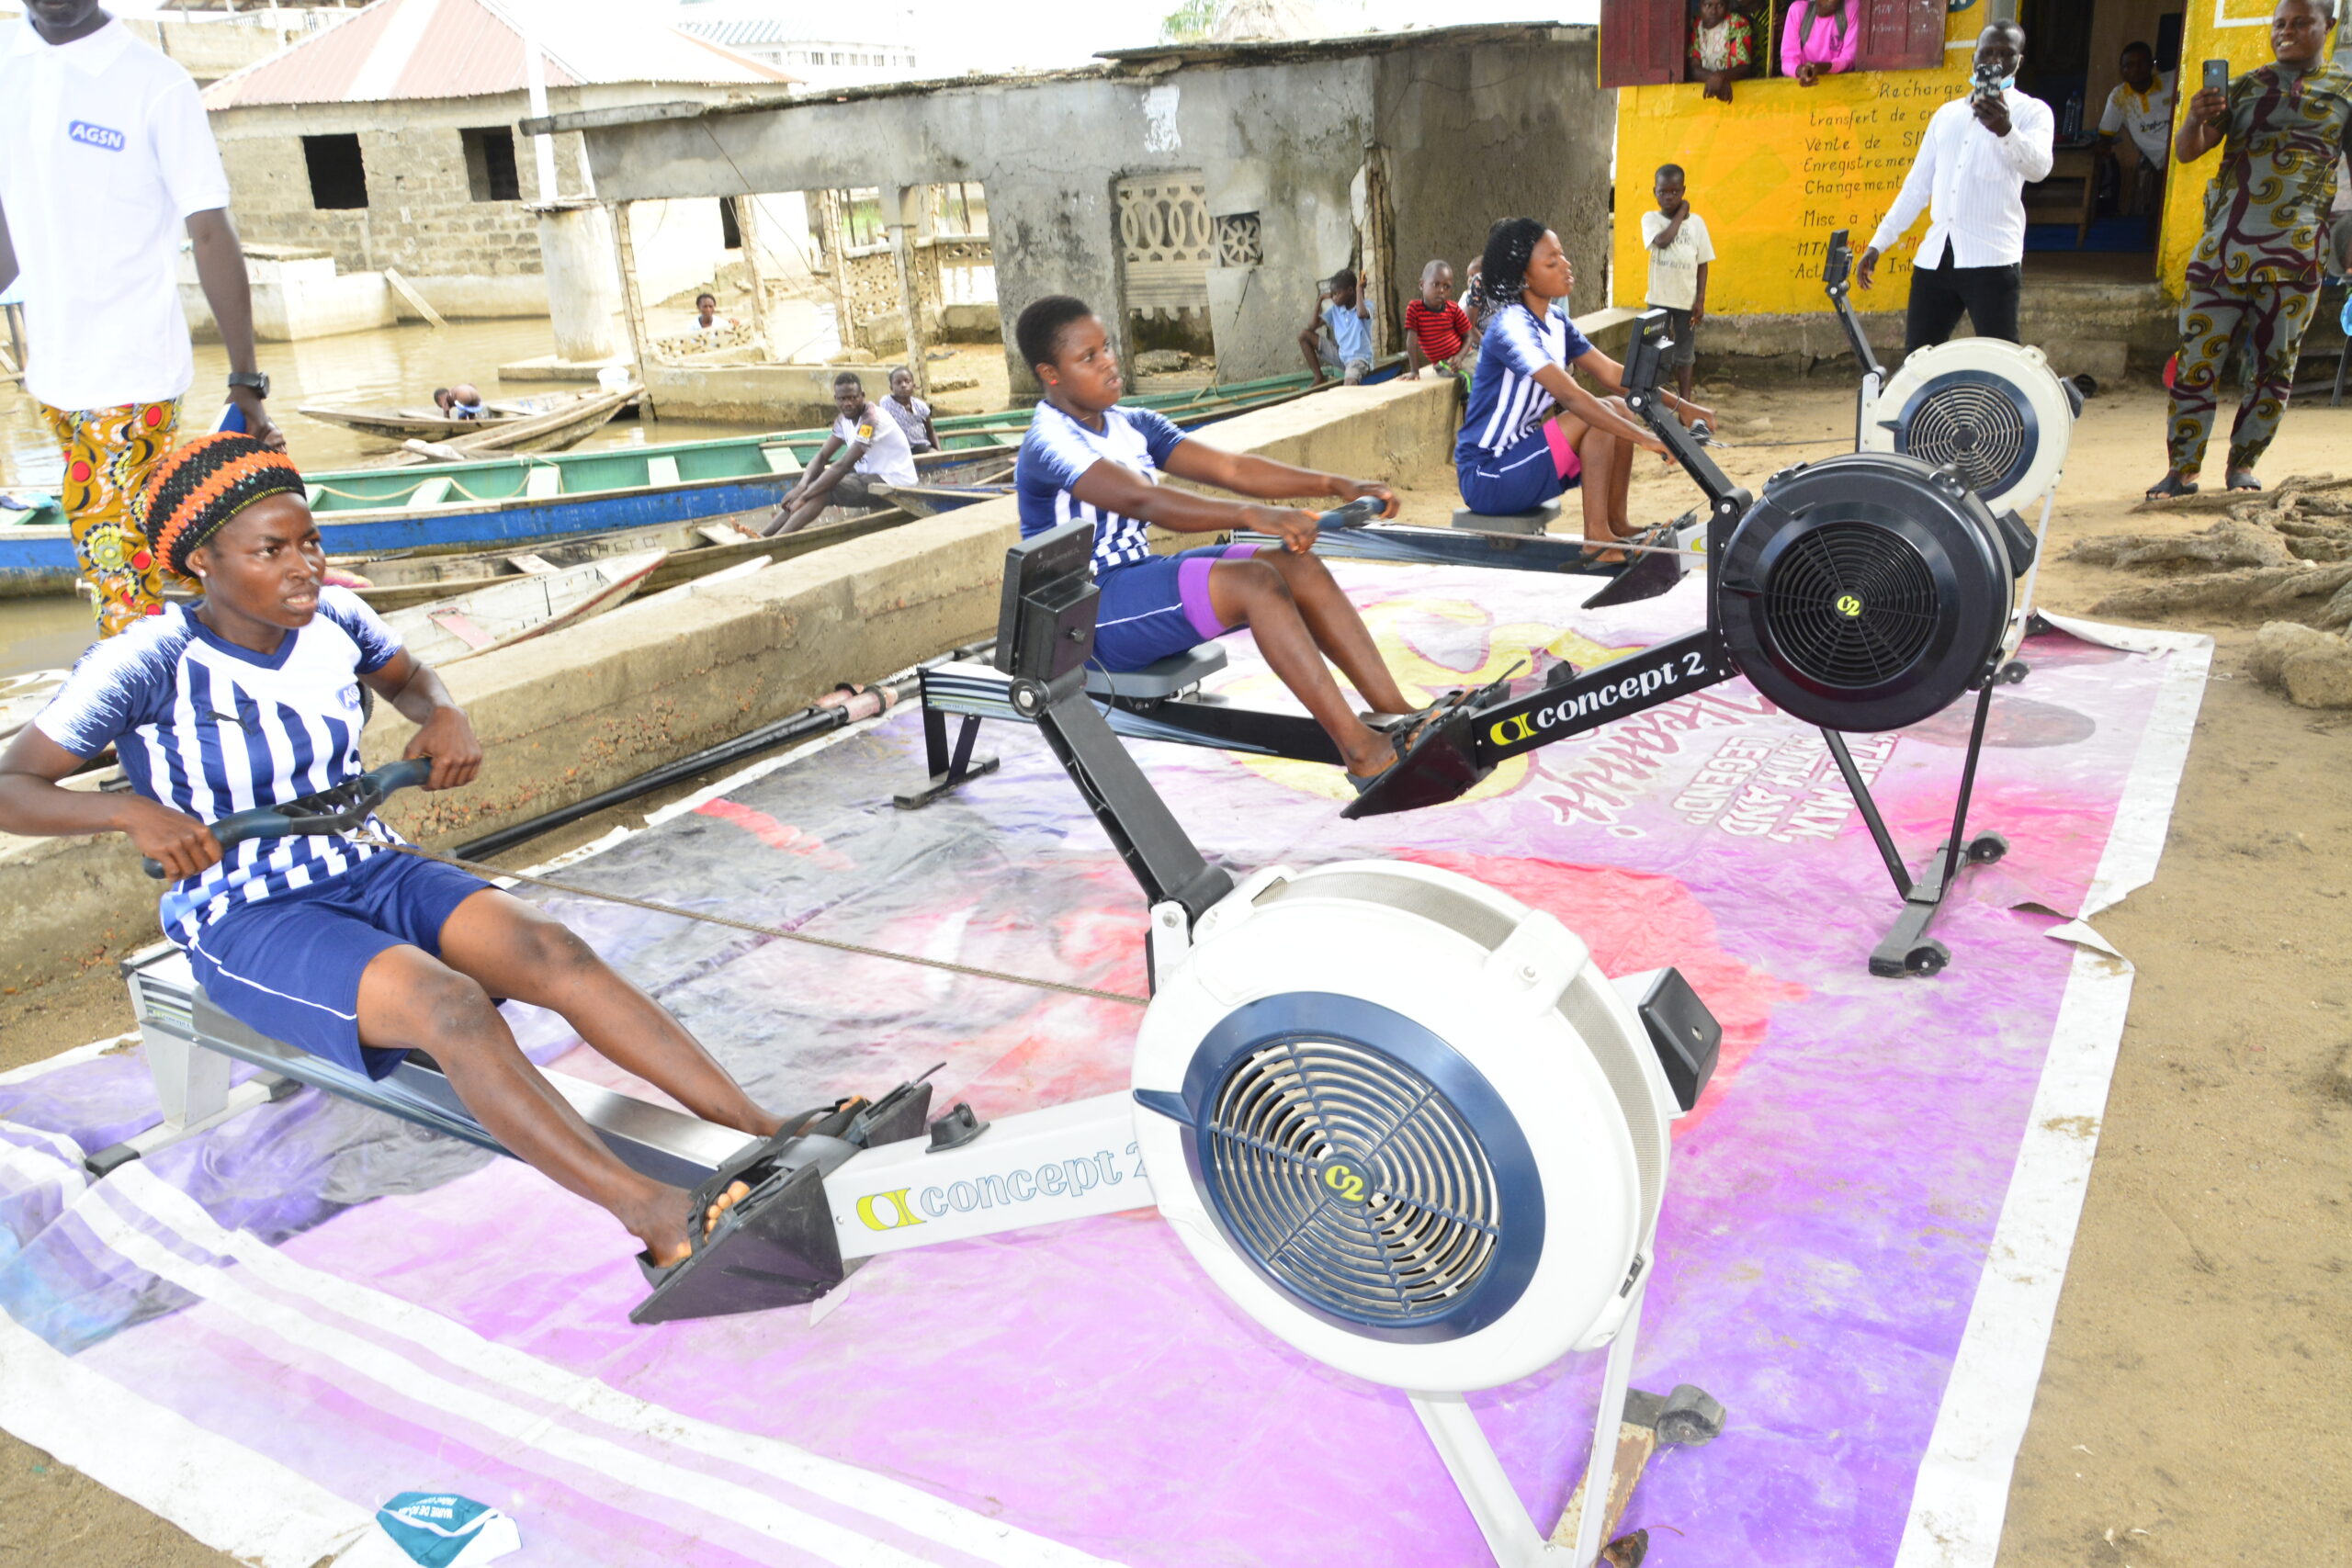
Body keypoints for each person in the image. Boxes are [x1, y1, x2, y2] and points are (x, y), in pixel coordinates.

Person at [0, 434, 797, 1271]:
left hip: (368, 862)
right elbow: (13, 785)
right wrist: (129, 812)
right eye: (271, 551)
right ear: (203, 559)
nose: (304, 568)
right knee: (450, 1007)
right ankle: (654, 1213)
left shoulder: (338, 621)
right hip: (245, 909)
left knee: (552, 949)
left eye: (310, 542)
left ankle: (758, 1128)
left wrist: (445, 713)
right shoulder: (147, 659)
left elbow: (414, 681)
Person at [1013, 294, 1439, 793]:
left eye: (1106, 347)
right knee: (1255, 583)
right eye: (1088, 357)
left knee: (1295, 564)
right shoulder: (1049, 441)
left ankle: (1396, 714)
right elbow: (1144, 501)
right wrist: (1252, 514)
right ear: (1051, 374)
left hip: (1129, 580)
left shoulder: (1132, 424)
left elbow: (1232, 468)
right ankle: (1362, 752)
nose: (1108, 362)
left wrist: (1337, 483)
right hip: (1079, 624)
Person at [0, 0, 283, 638]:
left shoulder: (155, 84)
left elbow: (209, 230)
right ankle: (251, 620)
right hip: (52, 372)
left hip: (129, 374)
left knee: (115, 574)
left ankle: (142, 688)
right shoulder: (8, 64)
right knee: (136, 546)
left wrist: (246, 379)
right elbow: (12, 214)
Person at [2148, 0, 2352, 499]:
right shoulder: (2242, 87)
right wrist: (2194, 118)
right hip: (2220, 251)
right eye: (2279, 24)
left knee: (2272, 370)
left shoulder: (2345, 93)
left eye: (2300, 23)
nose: (2286, 32)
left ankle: (2242, 466)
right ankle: (2181, 470)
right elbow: (2188, 151)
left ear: (2329, 26)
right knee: (2195, 363)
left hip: (2296, 256)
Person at [1455, 219, 1709, 559]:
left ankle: (1616, 525)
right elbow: (1571, 396)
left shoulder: (1555, 320)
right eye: (1552, 262)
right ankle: (1597, 540)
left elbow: (1612, 373)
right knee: (1597, 413)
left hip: (1524, 459)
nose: (1566, 265)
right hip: (1488, 475)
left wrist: (1684, 407)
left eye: (1562, 255)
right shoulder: (1511, 326)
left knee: (1620, 407)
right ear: (1524, 277)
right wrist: (1646, 439)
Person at [1857, 22, 2054, 354]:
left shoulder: (2032, 112)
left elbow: (2039, 170)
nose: (1995, 60)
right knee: (1918, 359)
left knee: (2002, 360)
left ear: (2019, 61)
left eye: (2006, 53)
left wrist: (2006, 130)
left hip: (1992, 258)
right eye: (1987, 52)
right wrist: (1879, 243)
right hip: (1935, 258)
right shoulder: (1946, 115)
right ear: (1974, 57)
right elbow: (1916, 187)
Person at [764, 370, 918, 536]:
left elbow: (843, 465)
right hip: (871, 479)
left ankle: (776, 540)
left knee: (826, 489)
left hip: (896, 484)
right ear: (836, 399)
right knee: (814, 485)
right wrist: (801, 487)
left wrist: (803, 497)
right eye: (843, 399)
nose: (848, 403)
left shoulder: (871, 420)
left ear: (862, 396)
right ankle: (763, 536)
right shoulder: (843, 420)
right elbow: (822, 456)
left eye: (853, 398)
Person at [1643, 164, 1714, 407]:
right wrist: (1682, 211)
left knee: (1684, 354)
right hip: (1659, 299)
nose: (1669, 197)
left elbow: (1703, 263)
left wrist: (1700, 299)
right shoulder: (1651, 219)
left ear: (1683, 191)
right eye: (1663, 191)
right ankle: (1653, 402)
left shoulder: (1697, 224)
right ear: (1655, 191)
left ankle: (1685, 403)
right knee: (1655, 352)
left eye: (1675, 192)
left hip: (1686, 300)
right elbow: (1662, 241)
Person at [2096, 41, 2177, 217]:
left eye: (2141, 63)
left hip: (2184, 148)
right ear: (2121, 70)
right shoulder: (2119, 97)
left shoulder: (2173, 81)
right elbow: (2105, 134)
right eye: (2128, 65)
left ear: (2152, 64)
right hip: (2161, 161)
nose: (2135, 70)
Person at [1403, 260, 1474, 386]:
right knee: (1470, 378)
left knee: (1490, 372)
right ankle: (1469, 400)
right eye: (1435, 284)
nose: (1441, 290)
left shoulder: (1453, 308)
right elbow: (1411, 343)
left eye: (1446, 287)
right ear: (1421, 285)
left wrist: (1460, 356)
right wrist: (1414, 371)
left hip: (1465, 355)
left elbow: (1468, 336)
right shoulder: (1415, 309)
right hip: (1446, 362)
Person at [1299, 266, 1374, 386]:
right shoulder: (1335, 310)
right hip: (1341, 356)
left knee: (1349, 383)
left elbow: (1361, 314)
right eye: (1332, 294)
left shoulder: (1367, 306)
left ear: (1350, 291)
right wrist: (1320, 299)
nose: (1333, 298)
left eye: (1336, 294)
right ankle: (1319, 377)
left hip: (1359, 360)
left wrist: (1359, 289)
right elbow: (1312, 326)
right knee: (1304, 335)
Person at [1690, 0, 1756, 103]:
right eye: (1708, 5)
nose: (1713, 11)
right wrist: (1716, 79)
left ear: (1728, 6)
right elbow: (1694, 67)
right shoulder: (1696, 25)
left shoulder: (1736, 23)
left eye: (1720, 5)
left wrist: (1720, 77)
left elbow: (1744, 66)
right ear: (1700, 5)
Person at [1783, 0, 1859, 85]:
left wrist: (1823, 68)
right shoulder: (1798, 11)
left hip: (1841, 84)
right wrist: (1801, 71)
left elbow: (1849, 58)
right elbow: (1788, 59)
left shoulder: (1851, 8)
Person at [880, 365, 938, 454]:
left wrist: (940, 453)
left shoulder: (920, 406)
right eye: (898, 383)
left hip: (919, 446)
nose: (903, 385)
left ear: (913, 385)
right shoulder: (886, 402)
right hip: (897, 448)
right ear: (891, 388)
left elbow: (930, 431)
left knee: (933, 454)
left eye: (907, 381)